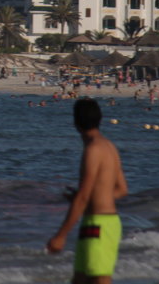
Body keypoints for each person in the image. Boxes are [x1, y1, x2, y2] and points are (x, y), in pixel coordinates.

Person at [46, 97, 128, 284]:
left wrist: (61, 235)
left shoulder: (93, 150)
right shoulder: (109, 146)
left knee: (99, 279)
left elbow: (82, 197)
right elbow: (122, 189)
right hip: (100, 223)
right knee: (80, 279)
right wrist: (94, 199)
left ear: (76, 123)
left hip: (99, 225)